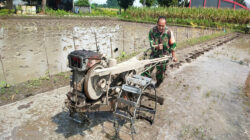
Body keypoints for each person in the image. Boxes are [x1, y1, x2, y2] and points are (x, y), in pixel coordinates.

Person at [148, 16, 177, 87]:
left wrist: (174, 56)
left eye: (163, 26)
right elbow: (151, 44)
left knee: (160, 73)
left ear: (165, 25)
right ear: (157, 24)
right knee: (147, 68)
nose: (161, 27)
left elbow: (173, 44)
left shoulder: (169, 32)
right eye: (159, 25)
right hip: (154, 53)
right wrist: (156, 46)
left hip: (164, 55)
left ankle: (157, 84)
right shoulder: (152, 31)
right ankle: (144, 83)